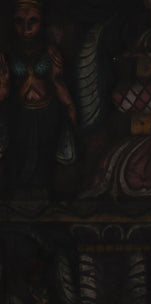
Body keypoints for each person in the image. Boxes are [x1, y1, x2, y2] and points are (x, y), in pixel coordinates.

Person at [0, 0, 77, 197]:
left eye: (32, 21)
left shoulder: (49, 51)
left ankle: (43, 193)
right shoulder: (7, 52)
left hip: (47, 112)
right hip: (19, 112)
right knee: (18, 154)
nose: (26, 28)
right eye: (19, 21)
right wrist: (4, 85)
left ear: (41, 21)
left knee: (45, 155)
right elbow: (3, 91)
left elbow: (57, 80)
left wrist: (69, 106)